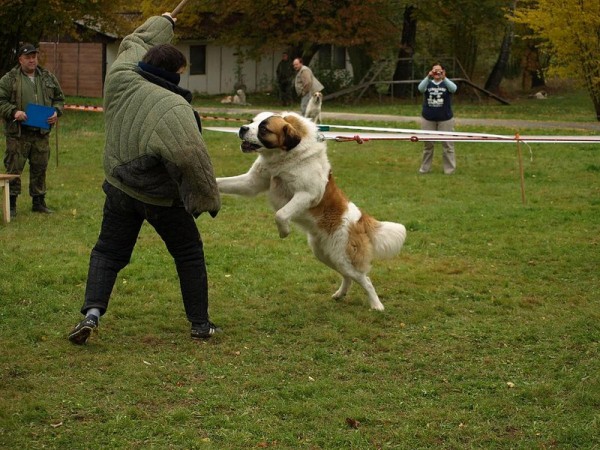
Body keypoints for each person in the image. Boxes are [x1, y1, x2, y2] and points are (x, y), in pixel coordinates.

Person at [67, 13, 222, 345]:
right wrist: (207, 198)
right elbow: (190, 158)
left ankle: (91, 314)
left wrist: (164, 20)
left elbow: (136, 40)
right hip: (160, 199)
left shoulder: (121, 75)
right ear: (171, 74)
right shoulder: (174, 107)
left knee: (108, 252)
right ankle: (200, 324)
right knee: (189, 252)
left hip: (119, 187)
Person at [0, 43, 64, 217]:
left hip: (41, 133)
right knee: (13, 168)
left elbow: (59, 99)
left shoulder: (48, 77)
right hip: (18, 134)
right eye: (28, 57)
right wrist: (14, 111)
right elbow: (1, 101)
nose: (32, 60)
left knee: (40, 167)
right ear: (20, 59)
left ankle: (39, 202)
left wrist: (56, 112)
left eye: (34, 56)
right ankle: (11, 203)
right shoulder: (9, 79)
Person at [417, 63, 458, 175]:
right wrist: (428, 76)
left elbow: (454, 89)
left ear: (443, 72)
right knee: (428, 145)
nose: (437, 73)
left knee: (447, 144)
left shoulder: (446, 84)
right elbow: (420, 89)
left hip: (445, 119)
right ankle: (425, 169)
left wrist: (444, 78)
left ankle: (449, 170)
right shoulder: (428, 84)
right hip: (428, 118)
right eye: (435, 70)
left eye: (439, 71)